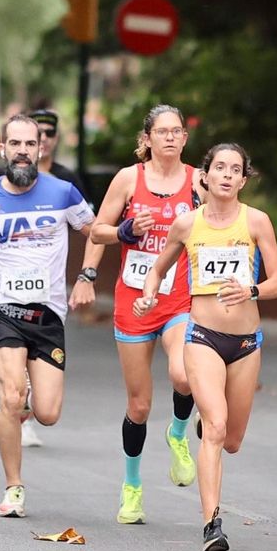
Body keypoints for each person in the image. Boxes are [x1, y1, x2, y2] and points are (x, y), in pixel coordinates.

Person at [137, 143, 277, 551]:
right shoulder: (187, 224)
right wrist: (148, 295)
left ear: (243, 180)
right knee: (217, 428)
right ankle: (211, 525)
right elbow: (157, 269)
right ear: (205, 176)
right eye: (219, 167)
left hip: (245, 343)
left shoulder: (256, 222)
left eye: (235, 169)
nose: (226, 175)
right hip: (202, 336)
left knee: (231, 440)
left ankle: (208, 424)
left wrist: (251, 290)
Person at [0, 114, 96, 518]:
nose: (22, 151)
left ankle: (27, 390)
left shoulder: (63, 192)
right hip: (3, 307)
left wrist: (87, 275)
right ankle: (14, 487)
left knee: (47, 413)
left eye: (29, 144)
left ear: (40, 149)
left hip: (48, 312)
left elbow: (96, 232)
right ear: (3, 149)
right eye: (14, 144)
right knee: (11, 398)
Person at [88, 105, 201, 525]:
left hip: (178, 299)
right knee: (138, 405)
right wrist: (126, 230)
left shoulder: (198, 181)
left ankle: (177, 433)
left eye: (177, 131)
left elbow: (223, 223)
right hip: (134, 302)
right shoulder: (128, 179)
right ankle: (132, 486)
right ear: (147, 138)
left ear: (184, 139)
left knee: (184, 375)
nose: (170, 137)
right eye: (162, 131)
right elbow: (97, 230)